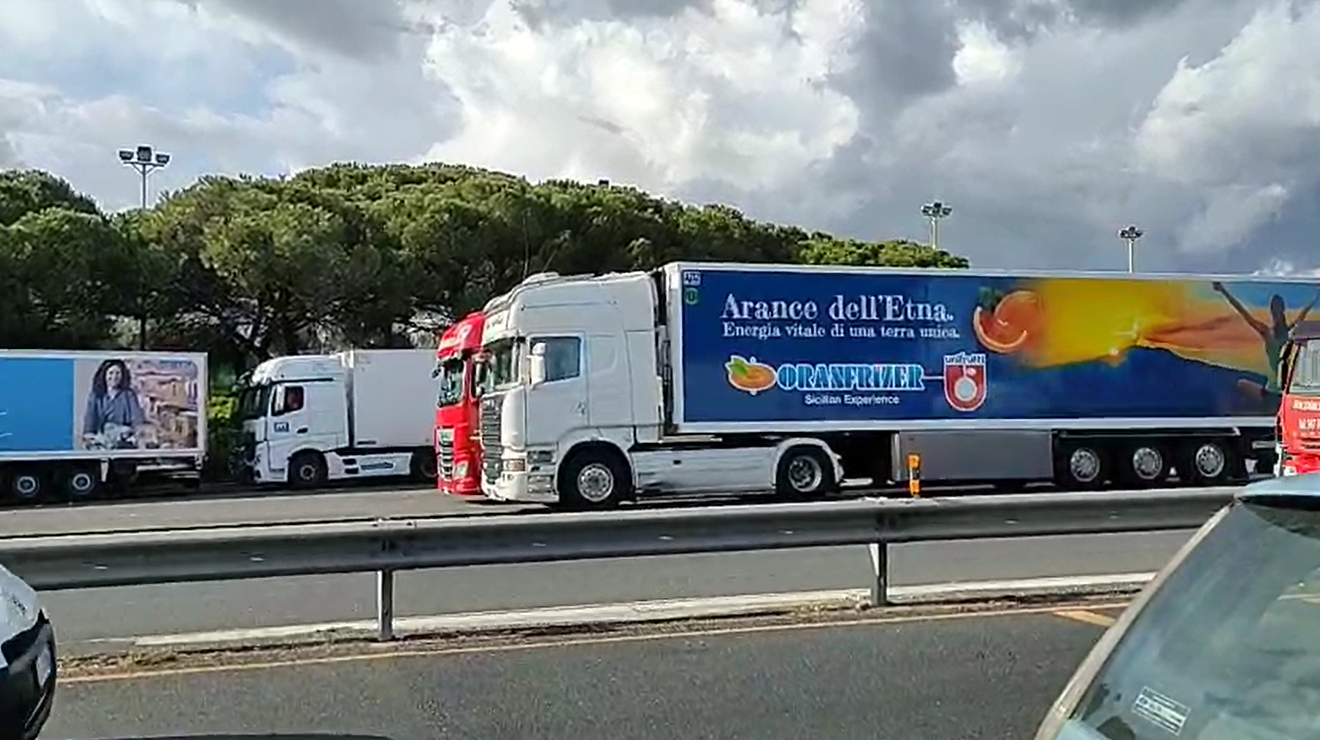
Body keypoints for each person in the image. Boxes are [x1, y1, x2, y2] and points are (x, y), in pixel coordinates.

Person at [1212, 282, 1320, 404]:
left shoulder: (1284, 332)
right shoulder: (1271, 332)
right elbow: (1243, 312)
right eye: (1275, 309)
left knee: (1242, 384)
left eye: (1277, 309)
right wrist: (1224, 291)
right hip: (1274, 391)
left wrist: (1315, 296)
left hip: (1277, 393)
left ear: (1281, 310)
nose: (1276, 313)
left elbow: (1303, 314)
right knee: (1241, 383)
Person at [83, 359, 146, 449]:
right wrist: (90, 438)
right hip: (102, 440)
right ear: (104, 375)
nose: (114, 377)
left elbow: (136, 418)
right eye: (111, 373)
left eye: (117, 373)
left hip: (124, 440)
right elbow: (90, 420)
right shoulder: (96, 395)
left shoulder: (129, 394)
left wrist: (134, 434)